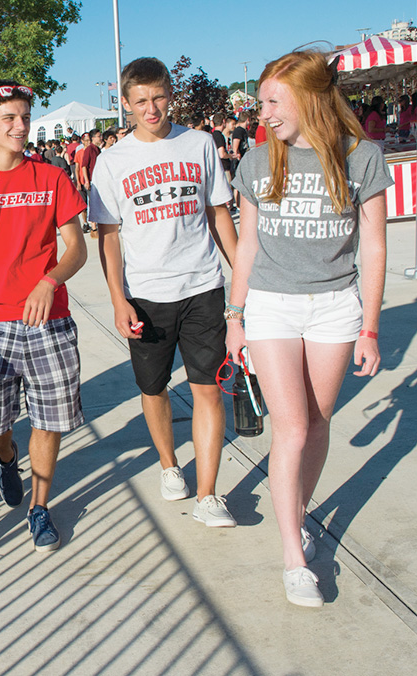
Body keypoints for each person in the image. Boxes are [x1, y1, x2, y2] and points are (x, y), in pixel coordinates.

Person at [227, 50, 391, 608]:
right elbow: (246, 245)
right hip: (272, 306)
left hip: (336, 308)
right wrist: (235, 316)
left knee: (318, 424)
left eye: (274, 100)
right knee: (291, 428)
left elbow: (373, 246)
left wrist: (369, 326)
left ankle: (297, 517)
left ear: (309, 98)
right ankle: (294, 561)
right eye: (262, 101)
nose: (264, 112)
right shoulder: (255, 161)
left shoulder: (361, 157)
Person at [88, 57, 239, 529]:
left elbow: (218, 215)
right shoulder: (112, 162)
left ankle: (210, 496)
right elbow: (108, 236)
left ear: (170, 95)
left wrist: (243, 278)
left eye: (158, 98)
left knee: (209, 389)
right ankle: (170, 465)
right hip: (146, 295)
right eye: (140, 102)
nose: (151, 109)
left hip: (202, 286)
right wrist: (118, 298)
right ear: (126, 105)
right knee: (153, 388)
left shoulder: (198, 144)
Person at [0, 79, 88, 553]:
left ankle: (39, 507)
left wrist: (49, 282)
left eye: (25, 117)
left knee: (49, 420)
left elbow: (77, 249)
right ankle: (7, 459)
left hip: (48, 322)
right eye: (8, 118)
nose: (20, 126)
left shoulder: (51, 178)